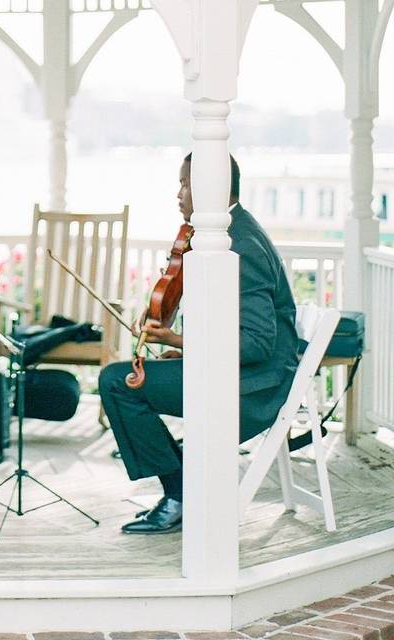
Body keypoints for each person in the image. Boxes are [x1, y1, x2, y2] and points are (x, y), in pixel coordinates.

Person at [98, 153, 298, 535]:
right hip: (231, 373)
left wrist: (178, 339)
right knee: (122, 379)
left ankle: (179, 493)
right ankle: (183, 489)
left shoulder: (242, 245)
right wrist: (184, 349)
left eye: (185, 184)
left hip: (253, 389)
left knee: (116, 382)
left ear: (212, 187)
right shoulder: (230, 232)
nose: (178, 194)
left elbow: (256, 343)